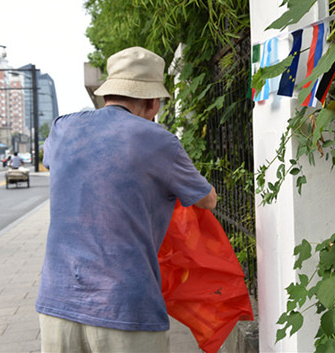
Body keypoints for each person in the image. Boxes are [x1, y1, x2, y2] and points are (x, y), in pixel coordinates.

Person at [36, 46, 217, 352]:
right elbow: (206, 200)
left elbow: (53, 163)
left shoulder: (62, 127)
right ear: (153, 103)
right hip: (126, 311)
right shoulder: (159, 141)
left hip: (57, 304)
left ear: (107, 94)